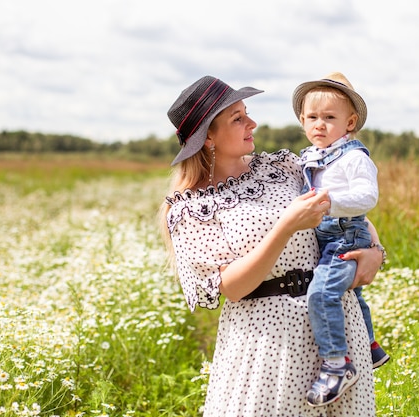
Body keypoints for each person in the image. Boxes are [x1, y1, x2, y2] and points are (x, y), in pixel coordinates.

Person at [159, 75, 384, 416]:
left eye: (246, 112)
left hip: (335, 334)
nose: (253, 122)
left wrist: (375, 252)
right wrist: (285, 226)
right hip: (267, 338)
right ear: (208, 139)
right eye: (237, 118)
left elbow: (346, 210)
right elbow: (233, 288)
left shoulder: (283, 167)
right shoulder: (191, 210)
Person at [292, 72, 389, 407]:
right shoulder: (310, 156)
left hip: (346, 234)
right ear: (302, 120)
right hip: (329, 235)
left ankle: (337, 363)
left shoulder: (353, 157)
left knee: (322, 293)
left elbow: (367, 197)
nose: (320, 124)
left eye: (330, 118)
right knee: (355, 294)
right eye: (312, 117)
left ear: (350, 122)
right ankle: (370, 345)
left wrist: (328, 201)